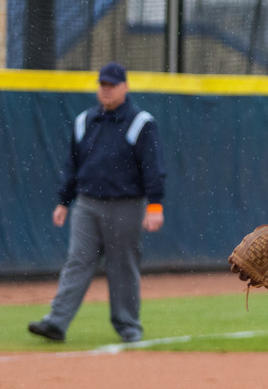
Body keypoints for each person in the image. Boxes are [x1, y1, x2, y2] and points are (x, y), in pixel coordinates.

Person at [28, 62, 167, 343]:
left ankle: (128, 325)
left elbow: (153, 167)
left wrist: (155, 205)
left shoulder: (141, 122)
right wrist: (63, 201)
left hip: (125, 204)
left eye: (112, 85)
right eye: (102, 85)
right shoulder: (85, 120)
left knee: (122, 265)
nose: (106, 90)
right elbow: (73, 165)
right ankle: (56, 322)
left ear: (125, 87)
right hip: (87, 204)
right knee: (77, 261)